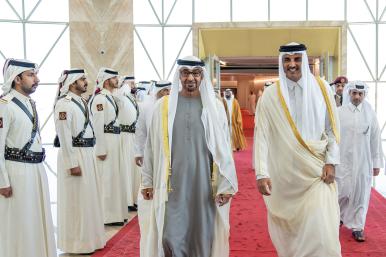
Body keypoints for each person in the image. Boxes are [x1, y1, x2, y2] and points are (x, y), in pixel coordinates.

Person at [140, 56, 238, 257]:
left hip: (203, 185)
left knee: (202, 236)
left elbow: (224, 148)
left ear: (202, 76)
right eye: (185, 73)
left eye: (196, 73)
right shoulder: (164, 107)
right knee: (168, 236)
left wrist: (226, 184)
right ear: (179, 76)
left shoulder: (215, 107)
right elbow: (151, 146)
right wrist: (147, 181)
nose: (190, 78)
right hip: (170, 185)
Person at [254, 43, 341, 257]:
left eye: (297, 59)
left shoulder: (322, 88)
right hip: (285, 175)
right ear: (281, 63)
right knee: (293, 236)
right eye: (287, 60)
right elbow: (262, 135)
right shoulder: (270, 96)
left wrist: (331, 161)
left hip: (317, 173)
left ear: (305, 60)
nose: (292, 65)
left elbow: (332, 129)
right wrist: (261, 173)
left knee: (323, 236)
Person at [0, 59, 56, 257]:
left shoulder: (29, 103)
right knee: (21, 223)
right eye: (31, 75)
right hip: (17, 172)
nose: (37, 79)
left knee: (36, 219)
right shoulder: (4, 105)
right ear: (16, 78)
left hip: (36, 169)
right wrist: (2, 181)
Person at [54, 69, 105, 254]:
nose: (86, 81)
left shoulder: (81, 101)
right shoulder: (64, 104)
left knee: (88, 199)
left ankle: (91, 240)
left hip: (87, 153)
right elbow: (65, 136)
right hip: (76, 155)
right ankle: (77, 244)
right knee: (77, 202)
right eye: (82, 79)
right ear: (72, 83)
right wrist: (72, 163)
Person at [336, 81, 384, 242]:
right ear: (349, 94)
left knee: (361, 194)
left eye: (360, 94)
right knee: (342, 191)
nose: (357, 97)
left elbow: (375, 138)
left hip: (363, 161)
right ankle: (339, 218)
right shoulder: (339, 112)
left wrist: (376, 163)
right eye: (354, 93)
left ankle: (358, 227)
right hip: (342, 161)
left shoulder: (369, 113)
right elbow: (332, 137)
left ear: (364, 95)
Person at [90, 67, 128, 225]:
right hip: (106, 140)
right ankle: (107, 216)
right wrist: (100, 148)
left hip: (114, 140)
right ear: (106, 81)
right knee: (107, 179)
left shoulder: (110, 97)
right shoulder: (100, 99)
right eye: (114, 79)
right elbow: (98, 125)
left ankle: (117, 214)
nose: (117, 81)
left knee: (115, 178)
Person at [116, 75, 141, 211]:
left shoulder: (130, 97)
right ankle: (128, 201)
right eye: (131, 83)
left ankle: (134, 199)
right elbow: (118, 96)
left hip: (133, 137)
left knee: (134, 170)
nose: (133, 85)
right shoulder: (121, 95)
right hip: (125, 137)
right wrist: (124, 84)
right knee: (127, 169)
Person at [134, 80, 171, 168]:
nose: (168, 93)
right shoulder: (146, 107)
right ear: (158, 91)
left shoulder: (173, 106)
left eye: (169, 90)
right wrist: (139, 152)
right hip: (152, 149)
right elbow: (141, 131)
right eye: (165, 90)